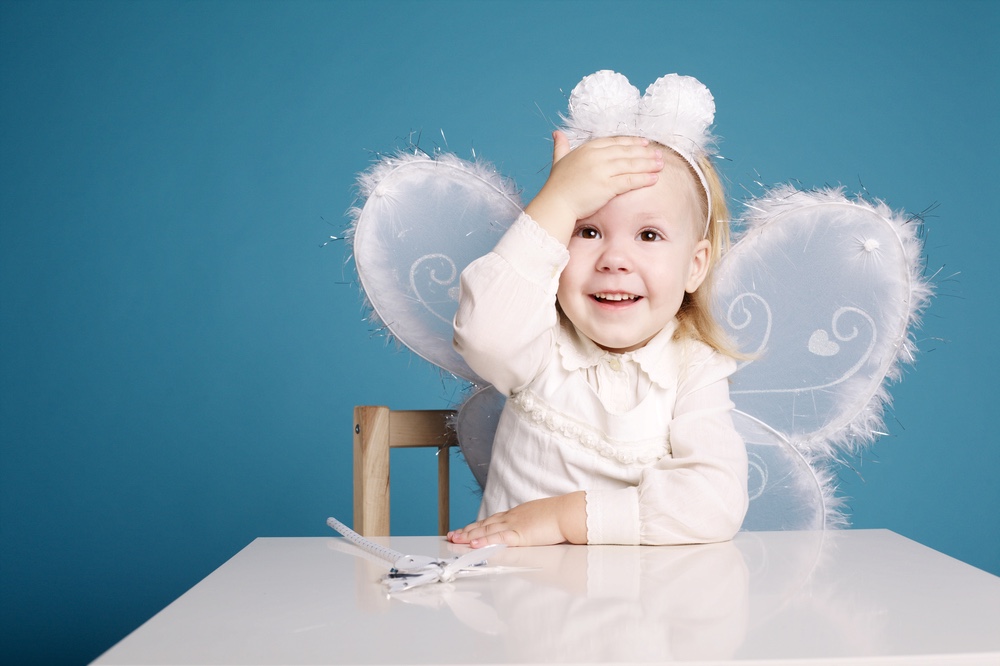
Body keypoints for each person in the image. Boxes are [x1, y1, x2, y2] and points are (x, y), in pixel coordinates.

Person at [447, 71, 748, 548]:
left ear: (695, 267)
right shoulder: (538, 342)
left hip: (644, 608)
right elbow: (482, 335)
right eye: (587, 231)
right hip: (522, 602)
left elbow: (714, 500)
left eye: (649, 236)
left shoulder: (694, 369)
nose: (614, 260)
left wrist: (566, 518)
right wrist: (559, 199)